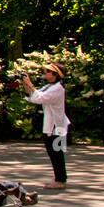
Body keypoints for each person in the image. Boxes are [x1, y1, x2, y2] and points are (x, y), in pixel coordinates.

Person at [21, 62, 70, 190]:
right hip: (50, 125)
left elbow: (39, 98)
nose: (46, 73)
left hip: (57, 126)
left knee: (56, 153)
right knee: (53, 152)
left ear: (55, 75)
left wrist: (29, 84)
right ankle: (59, 178)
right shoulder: (49, 86)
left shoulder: (57, 89)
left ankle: (60, 180)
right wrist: (26, 84)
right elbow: (32, 97)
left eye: (48, 71)